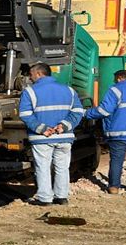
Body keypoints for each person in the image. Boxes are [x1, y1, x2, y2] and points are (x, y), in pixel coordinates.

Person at [19, 63, 84, 206]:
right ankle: (61, 197)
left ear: (39, 74)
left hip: (42, 138)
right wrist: (65, 126)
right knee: (62, 167)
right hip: (64, 136)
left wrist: (42, 128)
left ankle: (45, 198)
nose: (30, 78)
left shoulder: (30, 92)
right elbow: (78, 112)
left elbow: (25, 114)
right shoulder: (69, 90)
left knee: (43, 167)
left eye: (31, 74)